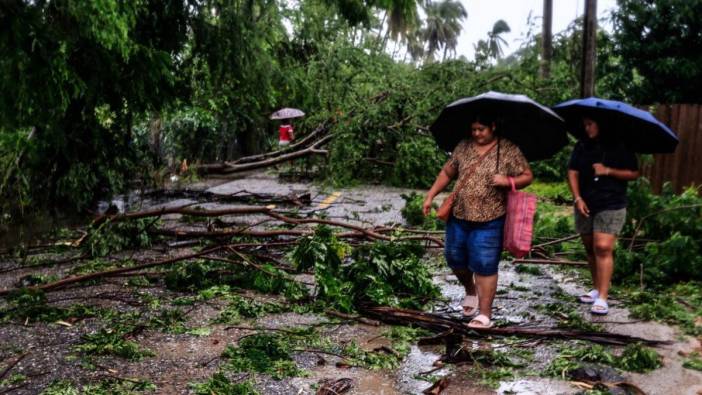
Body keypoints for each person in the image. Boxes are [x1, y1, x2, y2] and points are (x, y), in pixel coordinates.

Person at [423, 115, 533, 328]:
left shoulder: (507, 148)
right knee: (454, 257)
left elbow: (527, 176)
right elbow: (448, 171)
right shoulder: (463, 146)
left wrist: (508, 181)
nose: (476, 134)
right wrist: (431, 195)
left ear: (493, 126)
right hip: (459, 214)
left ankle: (484, 314)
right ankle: (470, 290)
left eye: (481, 129)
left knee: (485, 264)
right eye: (473, 129)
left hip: (491, 218)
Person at [567, 116, 639, 315]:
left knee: (603, 247)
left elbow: (633, 173)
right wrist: (577, 198)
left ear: (602, 123)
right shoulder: (582, 146)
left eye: (590, 124)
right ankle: (596, 287)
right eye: (585, 124)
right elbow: (573, 172)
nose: (587, 128)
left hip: (612, 203)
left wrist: (608, 170)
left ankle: (603, 298)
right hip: (586, 203)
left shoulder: (620, 146)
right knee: (590, 248)